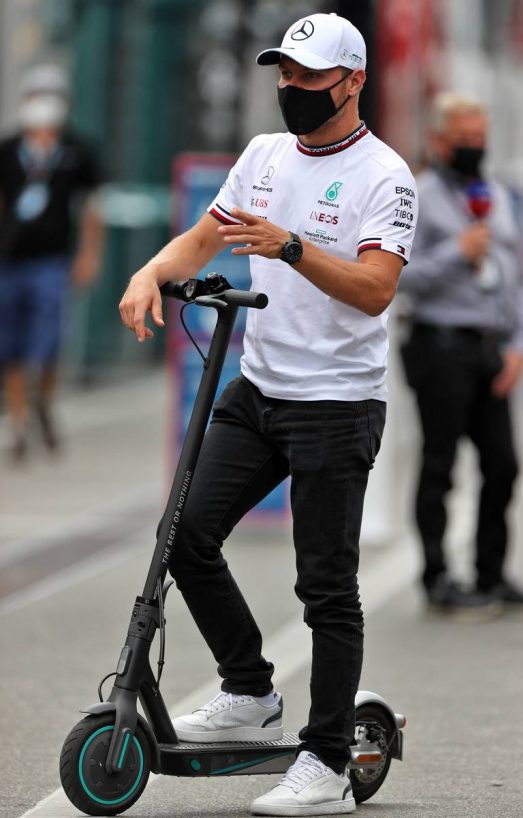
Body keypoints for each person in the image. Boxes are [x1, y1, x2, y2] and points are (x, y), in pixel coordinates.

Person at [120, 13, 417, 816]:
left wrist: (290, 247)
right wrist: (153, 272)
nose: (291, 90)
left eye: (308, 78)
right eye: (283, 75)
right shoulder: (262, 155)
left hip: (336, 402)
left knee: (325, 586)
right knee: (183, 532)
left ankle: (325, 765)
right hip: (258, 389)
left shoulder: (384, 177)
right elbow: (202, 237)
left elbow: (374, 290)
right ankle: (249, 690)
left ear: (351, 82)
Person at [399, 91, 523, 616]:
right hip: (439, 345)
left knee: (503, 464)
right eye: (465, 140)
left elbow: (515, 275)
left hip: (491, 350)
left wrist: (520, 345)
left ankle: (491, 574)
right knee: (440, 464)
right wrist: (454, 253)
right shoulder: (417, 196)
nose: (474, 148)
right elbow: (398, 276)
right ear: (439, 141)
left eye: (480, 140)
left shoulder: (496, 196)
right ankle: (437, 576)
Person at [0, 65, 103, 460]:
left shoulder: (77, 151)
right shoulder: (9, 150)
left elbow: (92, 207)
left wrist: (89, 255)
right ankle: (19, 420)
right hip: (10, 259)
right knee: (11, 340)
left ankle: (42, 398)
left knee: (47, 338)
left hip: (52, 260)